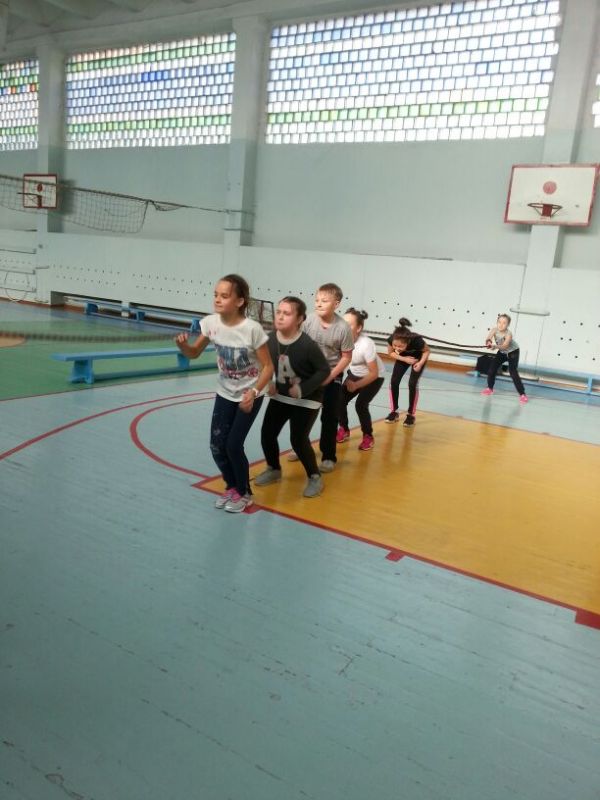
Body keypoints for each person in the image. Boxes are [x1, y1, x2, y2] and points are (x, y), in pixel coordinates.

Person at [175, 274, 273, 513]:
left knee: (233, 445)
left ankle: (244, 493)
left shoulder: (252, 330)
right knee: (216, 445)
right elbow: (194, 353)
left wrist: (254, 392)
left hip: (250, 394)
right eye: (216, 295)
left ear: (239, 301)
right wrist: (184, 347)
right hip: (225, 393)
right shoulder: (210, 323)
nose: (217, 300)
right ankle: (232, 487)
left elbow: (268, 367)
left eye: (225, 296)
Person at [254, 297, 330, 498]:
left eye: (286, 313)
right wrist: (268, 382)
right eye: (278, 312)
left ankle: (314, 476)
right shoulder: (270, 339)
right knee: (267, 433)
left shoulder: (307, 345)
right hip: (281, 396)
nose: (280, 316)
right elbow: (265, 365)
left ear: (299, 319)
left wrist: (302, 388)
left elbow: (324, 371)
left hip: (307, 399)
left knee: (298, 439)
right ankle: (273, 469)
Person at [300, 282, 354, 472]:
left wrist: (330, 376)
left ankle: (329, 456)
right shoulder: (308, 321)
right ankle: (301, 446)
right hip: (310, 375)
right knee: (302, 414)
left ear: (336, 304)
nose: (319, 303)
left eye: (324, 300)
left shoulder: (343, 328)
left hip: (332, 375)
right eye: (317, 300)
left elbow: (346, 357)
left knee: (329, 417)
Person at [336, 308, 385, 451]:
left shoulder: (366, 344)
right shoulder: (339, 340)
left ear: (358, 328)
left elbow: (374, 373)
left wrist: (356, 385)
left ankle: (368, 436)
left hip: (374, 376)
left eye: (349, 325)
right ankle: (344, 429)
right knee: (339, 399)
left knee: (361, 404)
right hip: (355, 373)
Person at [385, 317, 430, 427]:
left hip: (418, 358)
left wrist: (420, 363)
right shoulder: (391, 338)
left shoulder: (417, 340)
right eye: (395, 345)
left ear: (408, 342)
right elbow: (391, 353)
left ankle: (411, 415)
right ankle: (394, 411)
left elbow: (427, 351)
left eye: (400, 346)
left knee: (412, 383)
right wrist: (404, 359)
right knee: (394, 381)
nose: (397, 348)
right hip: (403, 358)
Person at [481, 313, 528, 403]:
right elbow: (488, 338)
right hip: (502, 352)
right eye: (499, 322)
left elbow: (505, 346)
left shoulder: (508, 334)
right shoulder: (494, 330)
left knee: (513, 372)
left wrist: (495, 346)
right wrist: (489, 343)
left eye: (504, 323)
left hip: (513, 352)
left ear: (508, 325)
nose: (501, 324)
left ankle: (522, 394)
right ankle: (490, 388)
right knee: (492, 369)